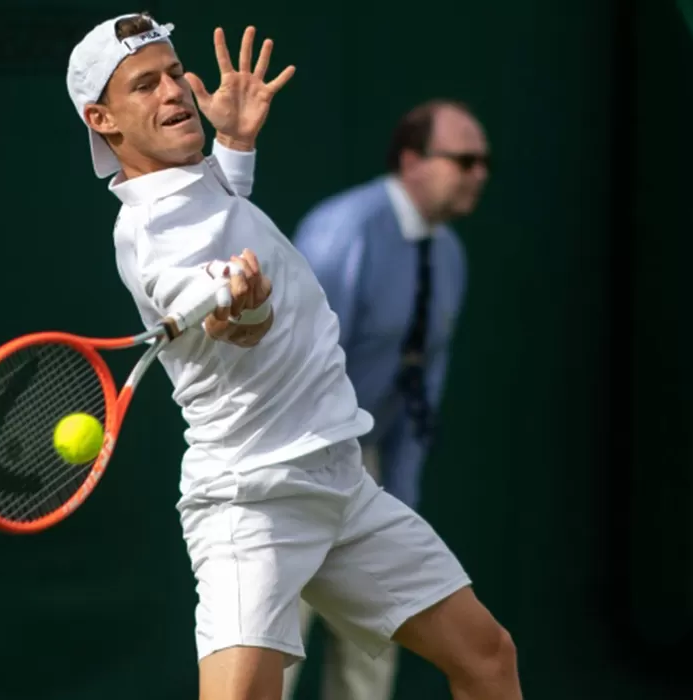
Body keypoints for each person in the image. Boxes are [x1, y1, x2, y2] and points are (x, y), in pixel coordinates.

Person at [65, 13, 523, 700]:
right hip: (254, 499)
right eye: (144, 85)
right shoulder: (152, 232)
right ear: (103, 120)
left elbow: (221, 207)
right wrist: (243, 306)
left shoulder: (190, 183)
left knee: (487, 658)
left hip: (339, 478)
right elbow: (225, 316)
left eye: (173, 72)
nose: (174, 90)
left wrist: (235, 144)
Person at [283, 100, 488, 700]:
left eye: (485, 163)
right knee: (273, 654)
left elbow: (426, 386)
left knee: (372, 649)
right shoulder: (344, 233)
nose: (479, 174)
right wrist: (304, 482)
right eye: (465, 160)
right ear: (412, 161)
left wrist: (400, 498)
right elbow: (297, 369)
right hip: (292, 468)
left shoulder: (449, 254)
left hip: (363, 468)